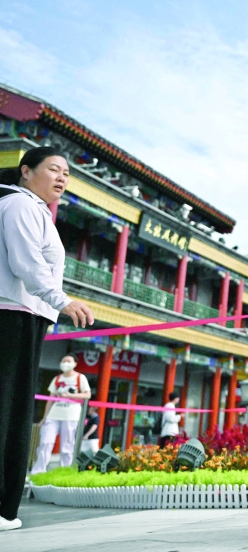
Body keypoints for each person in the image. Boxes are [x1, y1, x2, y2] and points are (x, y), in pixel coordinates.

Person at [0, 147, 94, 532]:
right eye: (53, 169)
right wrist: (63, 301)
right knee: (7, 412)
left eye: (67, 174)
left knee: (14, 412)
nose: (61, 178)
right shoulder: (20, 206)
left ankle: (5, 507)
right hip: (11, 315)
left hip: (26, 316)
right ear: (26, 171)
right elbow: (27, 264)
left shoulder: (36, 210)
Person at [30, 354, 91, 474]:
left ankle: (65, 471)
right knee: (45, 442)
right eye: (63, 361)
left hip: (71, 415)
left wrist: (70, 396)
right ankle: (38, 471)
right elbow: (50, 399)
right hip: (53, 415)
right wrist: (45, 417)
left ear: (75, 363)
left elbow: (87, 395)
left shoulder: (80, 378)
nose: (65, 363)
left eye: (68, 361)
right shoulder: (57, 379)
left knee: (67, 446)